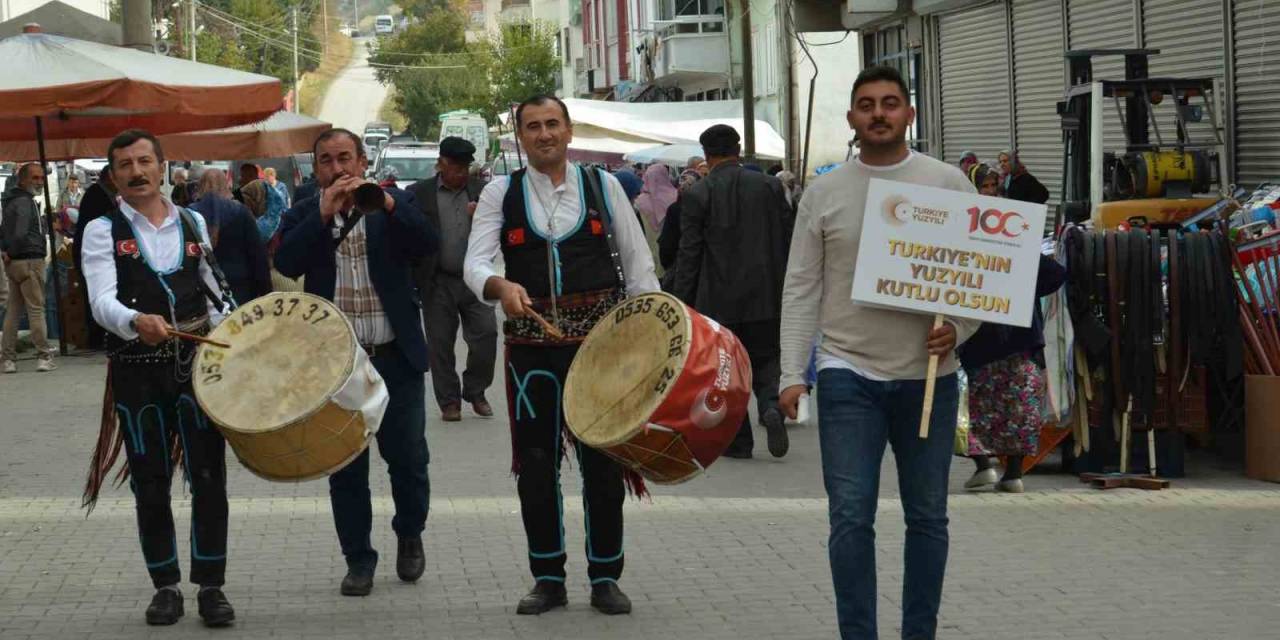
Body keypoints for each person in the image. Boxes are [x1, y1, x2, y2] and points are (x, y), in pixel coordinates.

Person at [777, 66, 982, 640]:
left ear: (909, 114)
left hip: (929, 376)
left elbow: (981, 276)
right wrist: (793, 372)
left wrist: (959, 330)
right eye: (866, 105)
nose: (879, 114)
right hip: (847, 374)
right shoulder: (823, 193)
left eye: (890, 103)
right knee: (849, 518)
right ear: (852, 119)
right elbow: (800, 287)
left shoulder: (947, 185)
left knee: (928, 518)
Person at [463, 94, 659, 617]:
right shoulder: (499, 194)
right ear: (520, 137)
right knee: (534, 466)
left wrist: (650, 342)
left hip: (599, 354)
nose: (544, 134)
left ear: (569, 131)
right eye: (533, 126)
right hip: (531, 356)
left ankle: (605, 577)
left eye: (553, 124)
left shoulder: (603, 185)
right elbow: (475, 263)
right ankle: (547, 577)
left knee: (602, 465)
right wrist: (499, 284)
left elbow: (639, 270)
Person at [80, 129, 235, 627]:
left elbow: (217, 292)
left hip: (196, 370)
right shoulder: (101, 230)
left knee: (209, 476)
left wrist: (244, 332)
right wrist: (133, 322)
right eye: (125, 165)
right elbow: (101, 301)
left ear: (163, 166)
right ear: (113, 176)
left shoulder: (192, 222)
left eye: (144, 161)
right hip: (137, 372)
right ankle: (165, 586)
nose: (137, 171)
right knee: (149, 482)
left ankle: (211, 585)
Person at [275, 128, 436, 597]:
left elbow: (426, 242)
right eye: (326, 160)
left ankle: (410, 532)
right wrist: (322, 215)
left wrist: (386, 204)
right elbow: (287, 260)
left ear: (363, 162)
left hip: (395, 357)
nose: (337, 168)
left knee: (408, 459)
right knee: (345, 467)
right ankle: (358, 559)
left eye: (345, 158)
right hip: (338, 364)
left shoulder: (391, 203)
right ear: (315, 169)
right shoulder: (305, 211)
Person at [673, 124, 793, 460]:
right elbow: (788, 239)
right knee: (766, 357)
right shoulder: (770, 186)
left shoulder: (699, 193)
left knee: (726, 369)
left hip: (718, 301)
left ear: (707, 155)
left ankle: (739, 442)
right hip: (766, 294)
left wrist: (683, 301)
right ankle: (770, 405)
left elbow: (690, 252)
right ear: (738, 150)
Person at [406, 137, 497, 423]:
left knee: (486, 335)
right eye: (455, 167)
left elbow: (501, 226)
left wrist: (480, 216)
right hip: (437, 280)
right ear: (441, 163)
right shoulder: (418, 193)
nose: (461, 173)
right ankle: (449, 402)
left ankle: (476, 390)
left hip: (476, 279)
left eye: (466, 168)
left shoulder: (483, 192)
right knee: (440, 345)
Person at [960, 254, 1066, 493]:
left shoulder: (979, 249)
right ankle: (1011, 473)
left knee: (973, 409)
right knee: (1017, 410)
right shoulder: (1016, 250)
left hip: (981, 343)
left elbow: (1055, 275)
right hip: (1017, 343)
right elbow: (1056, 275)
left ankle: (987, 466)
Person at [1, 162, 55, 373]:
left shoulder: (9, 201)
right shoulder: (26, 202)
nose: (39, 182)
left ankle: (8, 359)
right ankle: (44, 356)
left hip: (14, 264)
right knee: (36, 309)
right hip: (30, 260)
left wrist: (6, 252)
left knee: (13, 311)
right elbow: (22, 232)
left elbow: (4, 229)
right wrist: (13, 251)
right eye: (35, 178)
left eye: (41, 178)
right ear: (22, 180)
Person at [189, 169, 272, 305]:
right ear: (226, 185)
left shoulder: (189, 214)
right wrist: (266, 294)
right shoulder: (241, 212)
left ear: (200, 185)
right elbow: (258, 256)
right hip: (241, 290)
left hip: (204, 293)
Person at [74, 166, 118, 349]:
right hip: (90, 249)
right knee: (95, 293)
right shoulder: (97, 194)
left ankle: (100, 335)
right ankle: (96, 338)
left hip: (92, 247)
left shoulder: (102, 193)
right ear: (109, 178)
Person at [657, 169, 701, 291]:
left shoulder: (675, 208)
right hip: (700, 270)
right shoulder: (706, 207)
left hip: (678, 268)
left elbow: (667, 243)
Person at [634, 164, 677, 233]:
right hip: (674, 239)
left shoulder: (638, 201)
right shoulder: (676, 195)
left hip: (649, 241)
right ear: (665, 176)